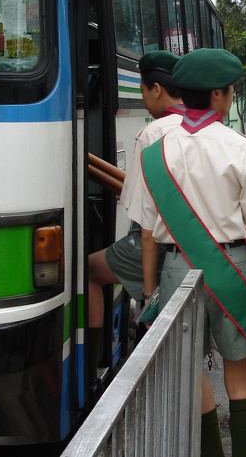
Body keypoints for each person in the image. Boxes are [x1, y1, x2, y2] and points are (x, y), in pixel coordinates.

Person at [131, 48, 246, 457]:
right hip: (234, 269)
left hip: (176, 269)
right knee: (239, 375)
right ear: (218, 94)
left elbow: (148, 233)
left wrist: (149, 293)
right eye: (230, 90)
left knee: (191, 373)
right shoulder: (243, 148)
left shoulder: (154, 152)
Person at [86, 49, 184, 385]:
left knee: (89, 271)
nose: (143, 99)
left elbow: (145, 223)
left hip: (160, 247)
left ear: (156, 89)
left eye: (142, 91)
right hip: (200, 248)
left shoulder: (152, 133)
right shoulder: (198, 127)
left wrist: (148, 293)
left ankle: (89, 372)